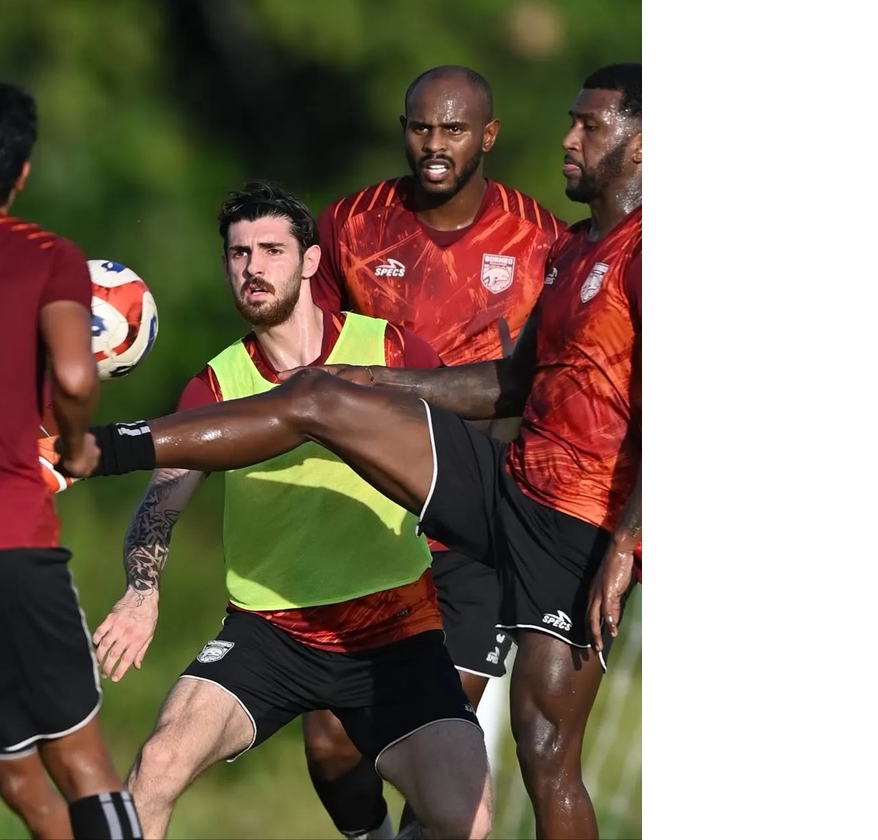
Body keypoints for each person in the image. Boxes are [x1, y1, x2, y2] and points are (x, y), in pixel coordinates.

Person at [74, 61, 642, 840]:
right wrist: (143, 587)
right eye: (240, 254)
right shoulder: (574, 247)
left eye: (588, 124)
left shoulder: (593, 245)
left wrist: (631, 534)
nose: (568, 137)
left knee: (520, 767)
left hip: (528, 535)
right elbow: (511, 382)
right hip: (414, 541)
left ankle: (92, 447)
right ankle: (95, 449)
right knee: (206, 758)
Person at [89, 181, 493, 840]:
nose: (253, 267)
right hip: (267, 631)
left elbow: (463, 462)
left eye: (271, 249)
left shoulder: (393, 352)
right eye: (238, 253)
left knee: (466, 818)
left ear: (309, 262)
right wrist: (141, 587)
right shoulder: (216, 384)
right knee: (156, 766)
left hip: (393, 631)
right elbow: (162, 498)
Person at [307, 64, 568, 839]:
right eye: (420, 126)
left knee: (435, 736)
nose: (433, 144)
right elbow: (312, 363)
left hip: (476, 520)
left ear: (486, 136)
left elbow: (544, 379)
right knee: (329, 739)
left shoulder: (541, 239)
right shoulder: (350, 224)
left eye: (452, 129)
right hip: (365, 516)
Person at [0, 73, 143, 840]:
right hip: (7, 543)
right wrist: (77, 442)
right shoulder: (47, 254)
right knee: (82, 765)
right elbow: (76, 374)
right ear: (20, 172)